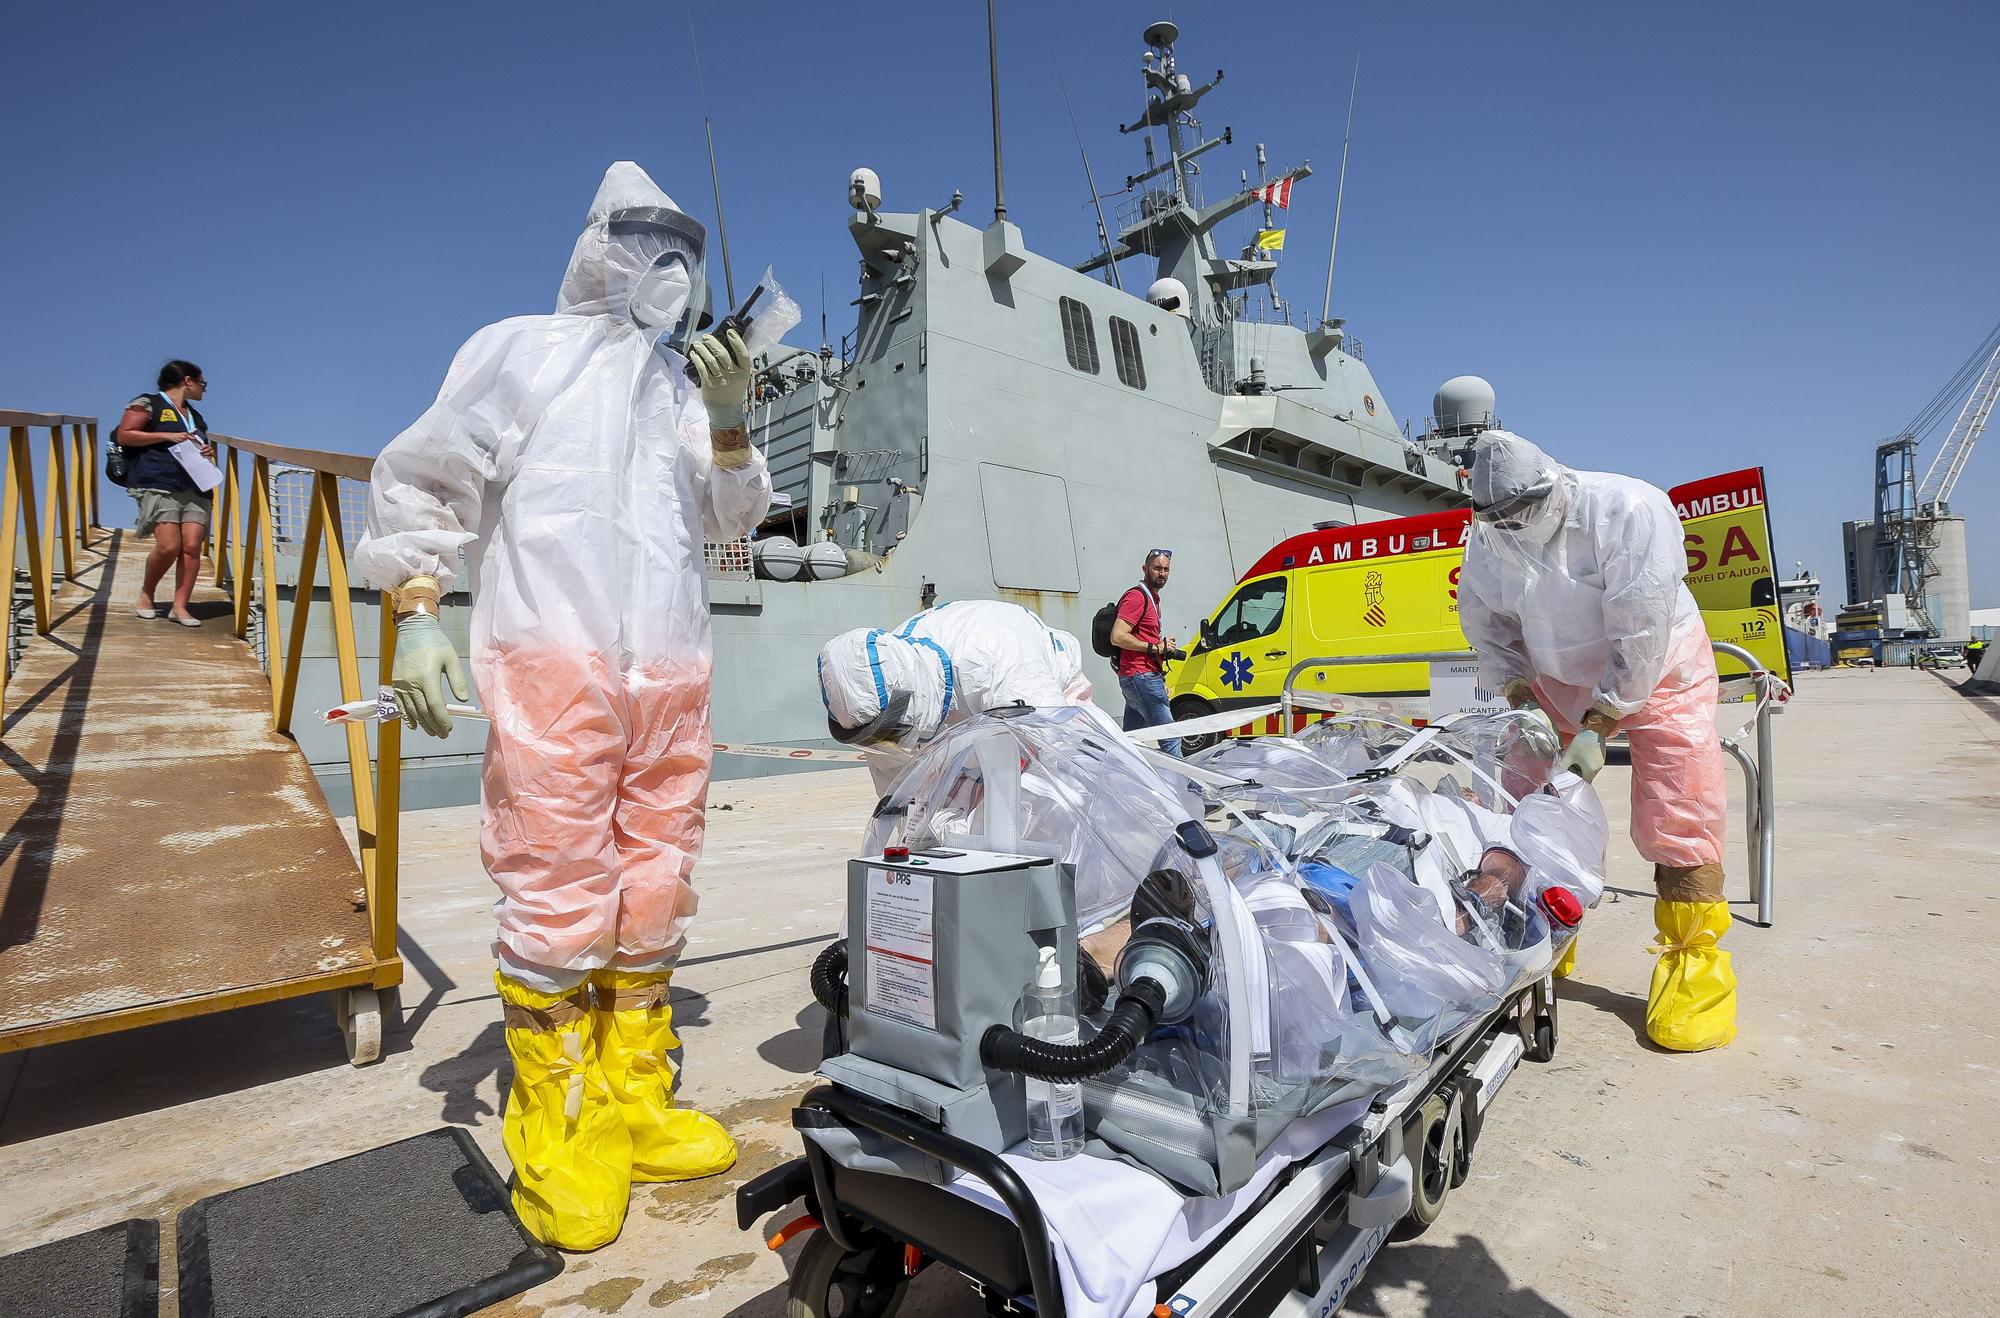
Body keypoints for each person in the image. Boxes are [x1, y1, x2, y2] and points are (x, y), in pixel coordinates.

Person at [352, 161, 771, 1250]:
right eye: (650, 246)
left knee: (655, 873)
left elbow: (732, 514)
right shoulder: (520, 353)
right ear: (601, 248)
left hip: (670, 673)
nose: (670, 271)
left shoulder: (684, 390)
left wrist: (729, 417)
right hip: (556, 664)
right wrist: (415, 608)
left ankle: (633, 1093)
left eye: (685, 252)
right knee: (552, 879)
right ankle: (559, 1117)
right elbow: (423, 477)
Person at [1458, 429, 1736, 1053]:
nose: (1509, 524)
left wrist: (1604, 722)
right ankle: (1545, 923)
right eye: (1495, 516)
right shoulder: (1490, 533)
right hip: (1555, 675)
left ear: (1551, 485)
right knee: (1525, 800)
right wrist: (1522, 699)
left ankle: (1695, 968)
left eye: (1519, 510)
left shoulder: (1628, 510)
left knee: (1678, 803)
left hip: (1662, 668)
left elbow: (1640, 627)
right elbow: (1485, 622)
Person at [819, 599, 1093, 791]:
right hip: (966, 713)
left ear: (908, 699)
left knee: (1065, 792)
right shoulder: (877, 706)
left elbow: (1052, 751)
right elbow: (898, 789)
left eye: (885, 733)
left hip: (1050, 687)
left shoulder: (994, 657)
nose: (885, 742)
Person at [115, 361, 217, 626]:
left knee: (192, 546)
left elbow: (199, 443)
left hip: (195, 484)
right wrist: (165, 436)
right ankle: (146, 594)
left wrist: (208, 451)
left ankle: (180, 607)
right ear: (187, 380)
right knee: (169, 545)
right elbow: (124, 436)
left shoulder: (196, 416)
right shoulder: (148, 403)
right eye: (202, 382)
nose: (204, 388)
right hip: (158, 480)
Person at [1111, 550, 1184, 755]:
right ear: (1145, 569)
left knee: (1132, 740)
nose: (1162, 573)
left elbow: (1143, 636)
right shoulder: (1137, 597)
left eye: (1166, 569)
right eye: (1157, 568)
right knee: (1170, 737)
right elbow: (1117, 636)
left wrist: (1160, 647)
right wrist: (1155, 647)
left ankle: (1122, 781)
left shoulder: (1153, 599)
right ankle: (1187, 786)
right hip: (1141, 676)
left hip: (1142, 676)